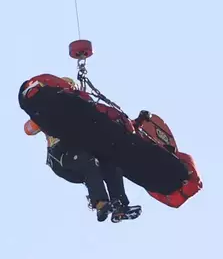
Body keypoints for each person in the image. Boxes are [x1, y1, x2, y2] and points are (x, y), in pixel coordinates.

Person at [22, 77, 142, 223]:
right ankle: (100, 203)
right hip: (61, 154)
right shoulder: (49, 112)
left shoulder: (80, 108)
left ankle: (119, 205)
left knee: (110, 161)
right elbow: (29, 129)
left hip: (79, 149)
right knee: (87, 160)